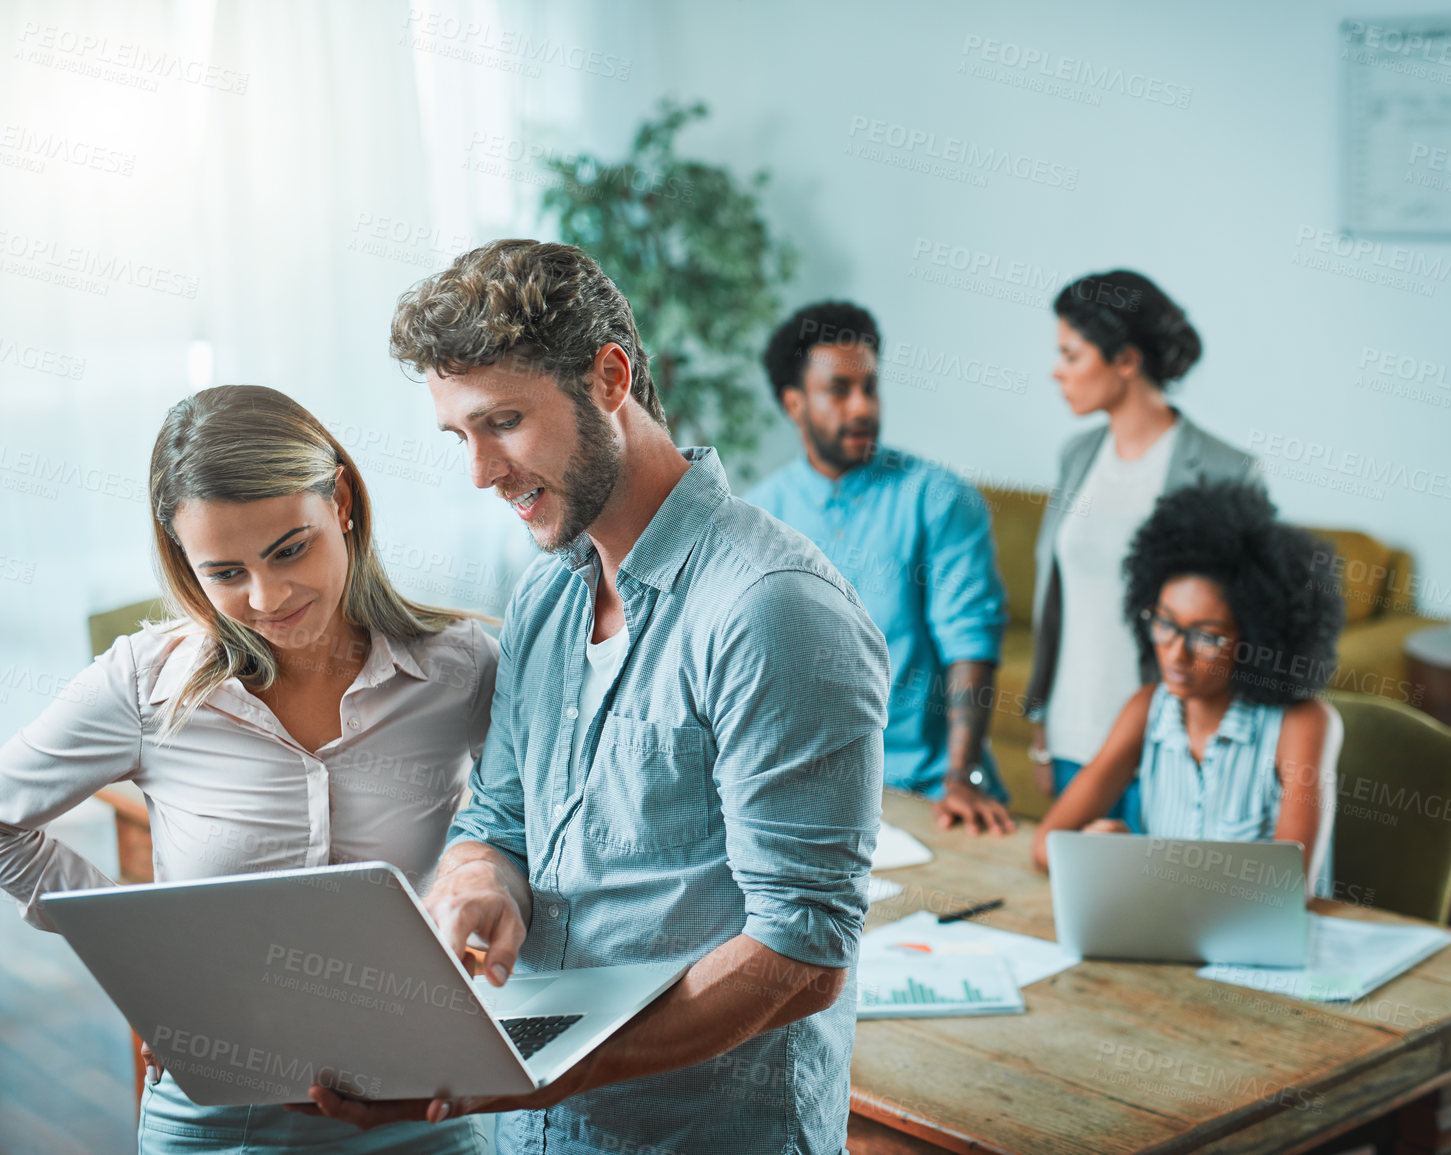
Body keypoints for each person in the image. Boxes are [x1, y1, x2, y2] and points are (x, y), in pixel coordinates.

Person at [296, 240, 890, 1154]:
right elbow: (499, 816)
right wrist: (476, 884)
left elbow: (802, 955)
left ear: (610, 378)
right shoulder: (545, 591)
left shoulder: (771, 608)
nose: (482, 472)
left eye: (503, 422)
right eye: (461, 436)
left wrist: (529, 1074)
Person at [0, 385, 496, 1154]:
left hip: (418, 1108)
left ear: (342, 502)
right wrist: (148, 964)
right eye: (224, 571)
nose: (268, 598)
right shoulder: (145, 682)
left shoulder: (460, 667)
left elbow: (538, 835)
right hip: (217, 1121)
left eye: (290, 549)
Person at [747, 300, 1013, 835]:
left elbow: (970, 646)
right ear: (794, 403)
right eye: (839, 391)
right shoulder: (758, 515)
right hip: (803, 799)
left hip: (928, 792)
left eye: (870, 387)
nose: (863, 407)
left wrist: (964, 776)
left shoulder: (939, 499)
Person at [1024, 269, 1261, 824]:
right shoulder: (1077, 456)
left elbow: (1238, 625)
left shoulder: (1225, 472)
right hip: (1070, 735)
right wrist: (1040, 727)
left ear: (1126, 361)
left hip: (1167, 743)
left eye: (1071, 355)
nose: (1056, 371)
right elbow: (1055, 602)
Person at [1031, 482, 1345, 897]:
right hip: (1168, 934)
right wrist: (1098, 852)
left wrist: (1137, 865)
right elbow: (1045, 843)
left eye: (1206, 637)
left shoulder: (1302, 725)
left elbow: (1287, 889)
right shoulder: (1146, 709)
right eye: (1164, 624)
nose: (1176, 655)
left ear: (1257, 640)